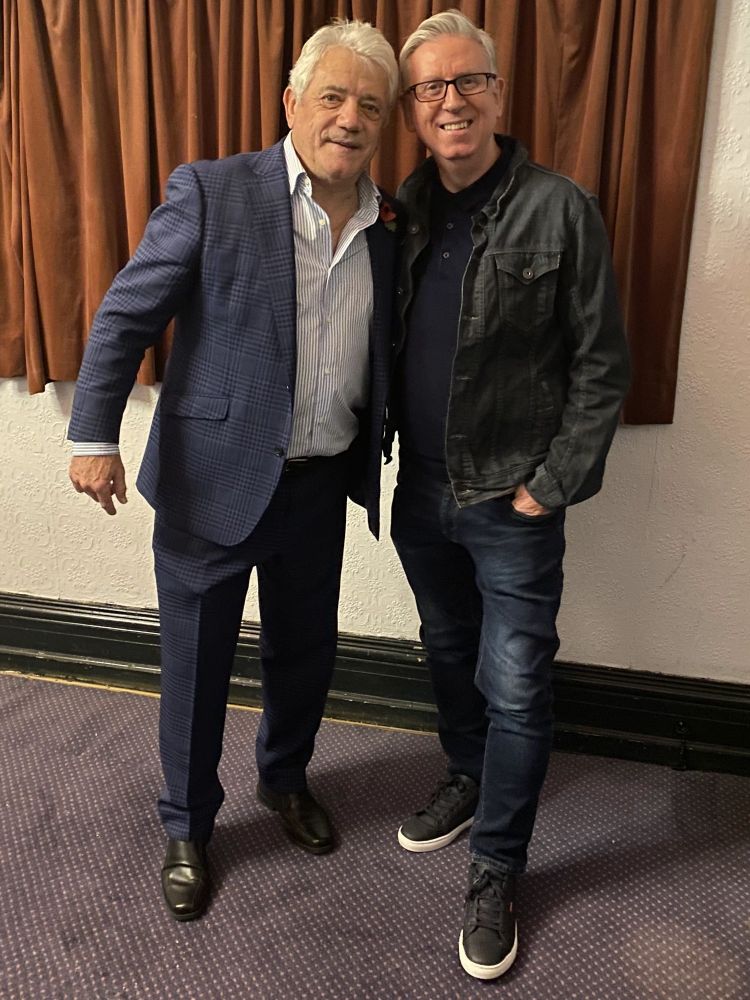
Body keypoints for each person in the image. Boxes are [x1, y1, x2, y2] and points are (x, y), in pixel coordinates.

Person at [68, 19, 400, 922]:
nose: (350, 118)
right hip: (210, 480)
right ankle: (187, 825)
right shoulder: (212, 192)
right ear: (291, 103)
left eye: (370, 104)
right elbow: (126, 314)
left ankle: (284, 781)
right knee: (198, 663)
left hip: (321, 484)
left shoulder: (387, 221)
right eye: (332, 96)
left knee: (306, 654)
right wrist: (91, 436)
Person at [387, 10, 631, 981]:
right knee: (446, 650)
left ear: (498, 92)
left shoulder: (558, 207)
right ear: (411, 108)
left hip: (512, 500)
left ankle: (498, 864)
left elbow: (602, 365)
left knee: (520, 680)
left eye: (467, 82)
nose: (451, 101)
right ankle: (464, 772)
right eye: (430, 88)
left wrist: (550, 487)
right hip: (422, 492)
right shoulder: (400, 209)